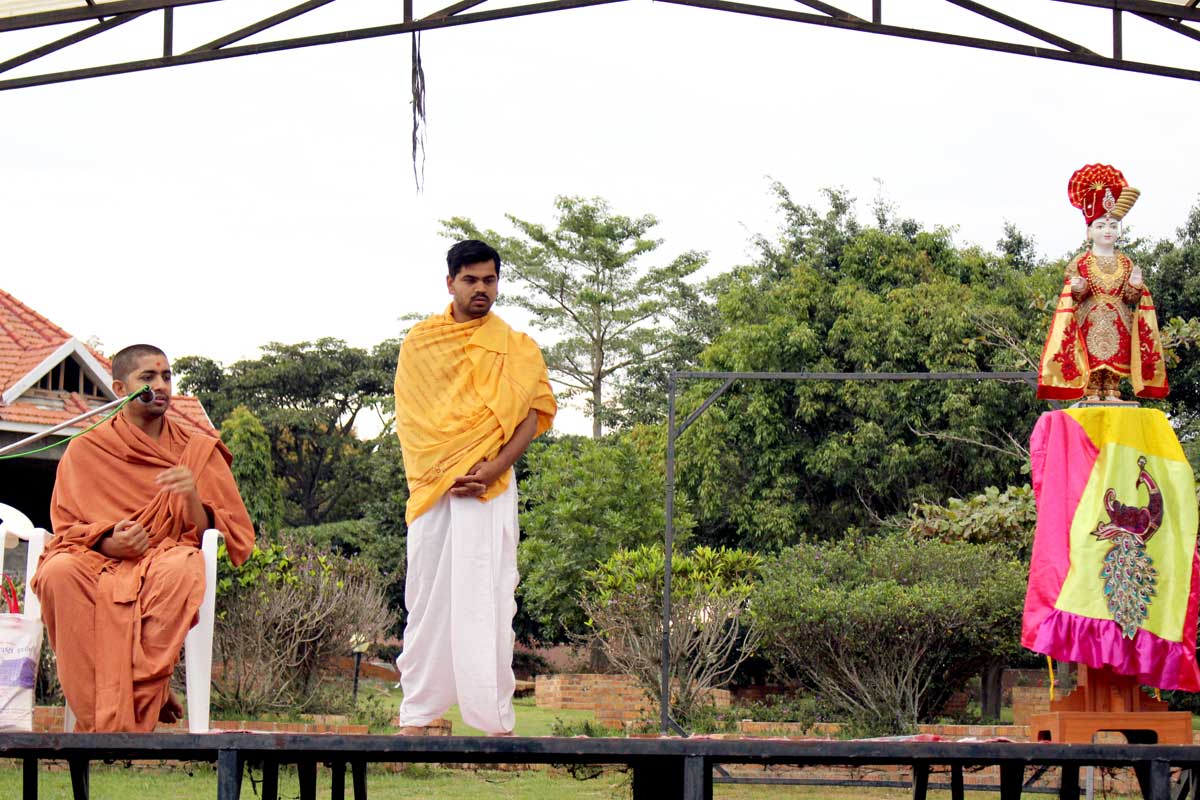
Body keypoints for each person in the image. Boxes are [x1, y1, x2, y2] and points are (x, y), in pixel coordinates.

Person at [31, 344, 255, 732]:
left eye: (167, 376)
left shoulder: (196, 450)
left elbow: (219, 534)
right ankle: (119, 710)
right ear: (121, 389)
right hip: (95, 559)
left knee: (183, 567)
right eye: (148, 378)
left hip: (164, 555)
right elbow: (67, 528)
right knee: (58, 572)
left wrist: (190, 497)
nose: (162, 385)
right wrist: (108, 541)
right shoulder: (86, 448)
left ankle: (129, 702)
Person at [393, 240, 556, 736]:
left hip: (489, 488)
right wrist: (446, 470)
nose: (480, 288)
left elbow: (533, 415)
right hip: (435, 490)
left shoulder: (517, 347)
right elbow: (412, 420)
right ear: (450, 283)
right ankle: (419, 713)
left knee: (488, 597)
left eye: (489, 279)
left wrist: (493, 466)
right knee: (426, 599)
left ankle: (495, 721)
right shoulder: (421, 343)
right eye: (470, 280)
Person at [1037, 163, 1168, 402]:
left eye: (1112, 226)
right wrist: (1078, 287)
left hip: (1119, 321)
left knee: (1115, 360)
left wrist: (1136, 285)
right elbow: (1075, 295)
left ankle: (1112, 391)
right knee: (1093, 359)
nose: (1107, 230)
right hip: (1090, 319)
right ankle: (1092, 391)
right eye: (1100, 225)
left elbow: (1130, 298)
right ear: (1089, 232)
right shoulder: (1081, 261)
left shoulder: (1126, 262)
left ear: (1119, 231)